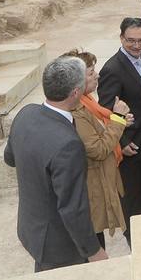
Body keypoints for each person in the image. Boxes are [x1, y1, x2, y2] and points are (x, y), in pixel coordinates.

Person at [4, 56, 108, 271]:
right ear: (76, 93)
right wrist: (94, 250)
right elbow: (72, 207)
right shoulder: (68, 144)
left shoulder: (26, 114)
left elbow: (10, 158)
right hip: (60, 245)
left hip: (32, 230)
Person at [97, 17, 141, 247]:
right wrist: (123, 140)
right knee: (130, 193)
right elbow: (106, 110)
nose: (136, 45)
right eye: (131, 41)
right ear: (121, 38)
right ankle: (135, 240)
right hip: (130, 144)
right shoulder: (112, 69)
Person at [59, 49, 129, 247]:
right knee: (94, 245)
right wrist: (118, 119)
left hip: (98, 182)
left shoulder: (88, 101)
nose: (97, 75)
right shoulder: (76, 109)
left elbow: (100, 128)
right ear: (76, 81)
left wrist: (118, 121)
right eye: (90, 72)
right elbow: (98, 149)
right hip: (92, 189)